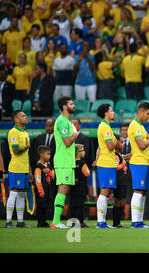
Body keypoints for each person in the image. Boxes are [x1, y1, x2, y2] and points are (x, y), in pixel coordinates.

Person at [51, 96, 78, 229]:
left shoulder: (66, 121)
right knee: (62, 189)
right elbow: (67, 142)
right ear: (64, 107)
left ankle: (56, 221)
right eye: (71, 103)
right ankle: (55, 222)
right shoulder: (62, 121)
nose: (74, 105)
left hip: (67, 160)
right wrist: (75, 134)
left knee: (64, 189)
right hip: (63, 160)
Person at [5, 110, 33, 228]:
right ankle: (8, 221)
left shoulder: (25, 133)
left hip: (25, 168)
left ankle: (20, 221)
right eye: (23, 115)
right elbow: (16, 151)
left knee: (22, 194)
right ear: (16, 120)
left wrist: (30, 170)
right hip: (16, 168)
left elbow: (27, 154)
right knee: (14, 192)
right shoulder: (13, 132)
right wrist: (26, 146)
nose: (25, 117)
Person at [128, 101, 149, 229]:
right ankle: (135, 222)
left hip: (143, 162)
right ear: (141, 112)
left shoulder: (141, 126)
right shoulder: (135, 126)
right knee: (138, 190)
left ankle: (140, 221)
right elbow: (142, 145)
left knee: (142, 192)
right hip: (138, 162)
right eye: (148, 114)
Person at [94, 103, 118, 228]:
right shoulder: (105, 127)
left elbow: (100, 146)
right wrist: (115, 141)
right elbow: (110, 146)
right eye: (111, 111)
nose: (113, 113)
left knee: (106, 191)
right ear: (106, 113)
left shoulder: (105, 126)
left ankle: (102, 221)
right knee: (104, 191)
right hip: (106, 163)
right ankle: (101, 222)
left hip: (106, 162)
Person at [34, 145, 54, 227]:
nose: (49, 156)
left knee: (45, 206)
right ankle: (40, 222)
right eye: (48, 154)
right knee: (40, 206)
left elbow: (53, 176)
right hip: (41, 189)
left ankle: (44, 221)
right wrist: (40, 191)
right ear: (41, 154)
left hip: (48, 187)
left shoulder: (49, 165)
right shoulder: (38, 167)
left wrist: (50, 173)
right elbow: (38, 180)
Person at [70, 144, 90, 228]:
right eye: (82, 150)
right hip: (81, 187)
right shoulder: (82, 163)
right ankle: (80, 221)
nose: (84, 152)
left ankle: (73, 222)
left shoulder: (70, 162)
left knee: (73, 204)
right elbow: (87, 173)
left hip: (72, 187)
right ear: (77, 152)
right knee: (80, 205)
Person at [112, 134, 130, 228]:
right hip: (119, 181)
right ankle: (115, 222)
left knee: (122, 201)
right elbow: (117, 167)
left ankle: (119, 221)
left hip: (124, 181)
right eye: (121, 142)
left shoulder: (120, 155)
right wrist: (123, 162)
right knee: (117, 201)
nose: (123, 144)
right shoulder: (115, 155)